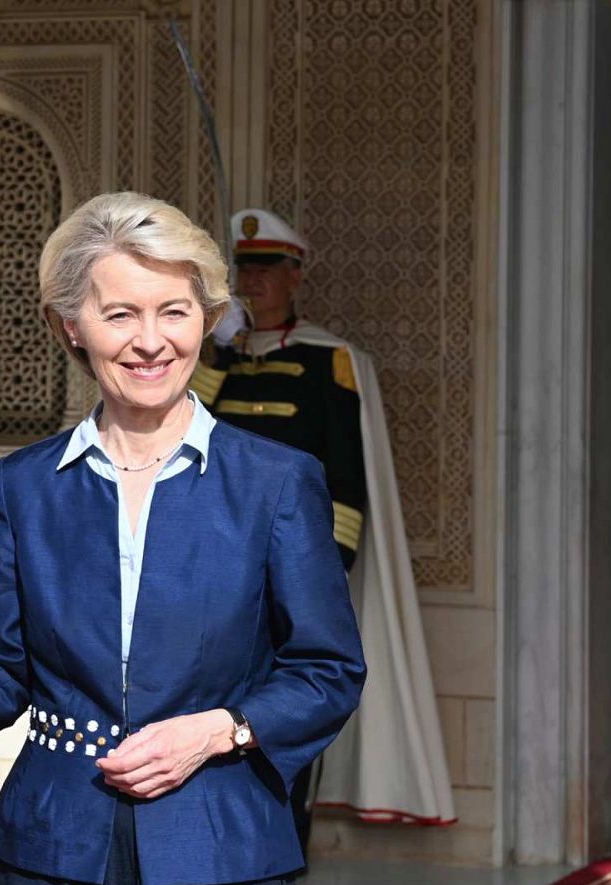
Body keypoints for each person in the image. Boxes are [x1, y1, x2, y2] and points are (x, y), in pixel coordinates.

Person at [0, 192, 366, 885]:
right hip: (51, 851)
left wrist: (219, 731)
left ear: (207, 319)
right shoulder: (25, 485)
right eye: (120, 314)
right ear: (71, 326)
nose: (151, 341)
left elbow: (327, 671)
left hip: (221, 852)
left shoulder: (277, 481)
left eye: (174, 312)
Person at [193, 208, 456, 835]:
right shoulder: (216, 357)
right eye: (245, 270)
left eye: (266, 269)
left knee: (285, 701)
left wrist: (327, 567)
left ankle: (287, 832)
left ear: (294, 276)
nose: (253, 281)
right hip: (211, 559)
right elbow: (178, 424)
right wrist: (217, 349)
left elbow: (344, 471)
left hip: (290, 560)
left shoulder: (329, 359)